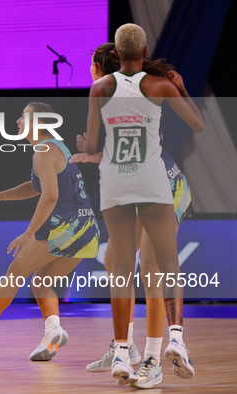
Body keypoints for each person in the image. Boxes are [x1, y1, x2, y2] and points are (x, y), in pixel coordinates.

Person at [84, 24, 203, 385]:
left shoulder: (109, 90)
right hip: (140, 185)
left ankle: (153, 358)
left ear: (105, 65)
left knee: (151, 267)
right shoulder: (121, 90)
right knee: (114, 261)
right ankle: (127, 347)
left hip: (165, 184)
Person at [0, 102, 100, 361]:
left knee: (14, 274)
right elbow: (36, 186)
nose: (18, 121)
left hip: (66, 227)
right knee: (41, 281)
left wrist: (29, 232)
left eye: (24, 116)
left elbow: (50, 196)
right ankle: (53, 330)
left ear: (40, 122)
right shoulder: (54, 147)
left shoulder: (43, 151)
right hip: (87, 228)